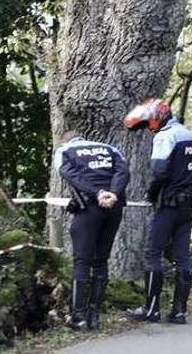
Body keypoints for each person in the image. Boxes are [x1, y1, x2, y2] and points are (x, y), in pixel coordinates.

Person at [123, 98, 192, 324]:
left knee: (153, 253)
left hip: (168, 205)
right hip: (188, 205)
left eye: (150, 123)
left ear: (159, 118)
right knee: (183, 257)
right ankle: (179, 311)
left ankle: (151, 309)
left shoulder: (165, 136)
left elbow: (159, 172)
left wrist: (151, 194)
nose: (150, 127)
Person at [54, 130, 130, 330]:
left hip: (90, 207)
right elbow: (123, 171)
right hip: (114, 207)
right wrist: (113, 193)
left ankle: (79, 317)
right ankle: (94, 317)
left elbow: (70, 175)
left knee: (82, 260)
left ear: (64, 140)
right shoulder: (110, 149)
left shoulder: (65, 150)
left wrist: (97, 193)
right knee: (101, 260)